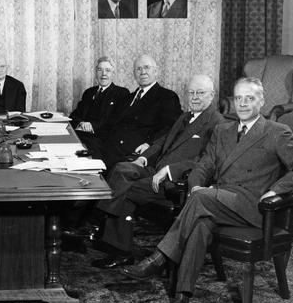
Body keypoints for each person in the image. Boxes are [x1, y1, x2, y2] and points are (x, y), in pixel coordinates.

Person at [120, 77, 293, 303]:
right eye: (239, 98)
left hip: (252, 208)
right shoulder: (223, 130)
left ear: (262, 101)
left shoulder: (276, 132)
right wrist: (196, 187)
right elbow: (204, 165)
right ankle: (181, 299)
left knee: (202, 201)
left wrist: (277, 190)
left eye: (250, 98)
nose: (243, 104)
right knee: (199, 224)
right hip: (216, 200)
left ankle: (159, 257)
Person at [91, 75, 225, 269]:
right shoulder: (186, 116)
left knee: (126, 190)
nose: (195, 97)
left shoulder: (217, 122)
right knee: (120, 168)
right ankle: (104, 219)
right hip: (155, 168)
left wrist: (170, 170)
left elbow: (208, 162)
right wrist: (143, 157)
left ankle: (116, 245)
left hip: (174, 181)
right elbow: (163, 140)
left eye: (201, 93)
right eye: (191, 93)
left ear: (212, 95)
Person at [98, 54, 182, 169]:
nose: (142, 72)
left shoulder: (167, 97)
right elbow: (111, 124)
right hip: (110, 148)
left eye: (147, 67)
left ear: (156, 71)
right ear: (134, 74)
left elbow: (170, 128)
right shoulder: (127, 98)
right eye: (138, 69)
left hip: (134, 153)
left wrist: (150, 144)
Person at [69, 56, 130, 157]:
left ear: (113, 74)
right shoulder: (89, 92)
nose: (104, 74)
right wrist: (81, 123)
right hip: (80, 136)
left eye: (108, 70)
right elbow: (74, 115)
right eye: (100, 70)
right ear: (96, 73)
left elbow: (115, 121)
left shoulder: (121, 93)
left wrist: (92, 125)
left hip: (102, 141)